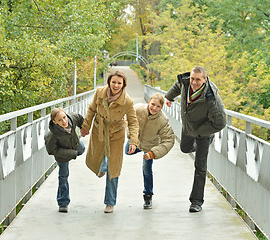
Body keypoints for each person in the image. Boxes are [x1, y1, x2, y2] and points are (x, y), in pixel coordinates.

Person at [165, 66, 226, 213]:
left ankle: (196, 202)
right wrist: (168, 97)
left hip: (203, 131)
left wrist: (200, 132)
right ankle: (197, 146)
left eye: (198, 79)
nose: (194, 82)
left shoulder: (211, 96)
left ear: (205, 80)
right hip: (188, 127)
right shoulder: (185, 82)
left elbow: (220, 123)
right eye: (193, 78)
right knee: (185, 148)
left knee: (200, 167)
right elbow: (177, 85)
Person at [80, 70, 139, 213]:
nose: (116, 85)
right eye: (113, 82)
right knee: (96, 159)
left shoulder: (127, 101)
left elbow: (133, 122)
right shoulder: (99, 93)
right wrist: (85, 126)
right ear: (109, 82)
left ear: (123, 84)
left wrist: (133, 141)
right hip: (99, 130)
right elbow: (91, 109)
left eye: (119, 83)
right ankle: (102, 167)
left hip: (116, 134)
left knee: (114, 168)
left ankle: (110, 202)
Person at [125, 93, 175, 209]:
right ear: (148, 102)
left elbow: (169, 140)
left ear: (161, 108)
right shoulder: (137, 109)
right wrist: (132, 138)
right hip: (136, 141)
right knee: (126, 151)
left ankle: (148, 196)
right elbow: (128, 120)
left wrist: (152, 153)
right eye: (153, 104)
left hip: (149, 146)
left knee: (147, 168)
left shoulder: (162, 120)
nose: (154, 108)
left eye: (158, 107)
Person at [44, 108, 86, 213]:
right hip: (62, 155)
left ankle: (77, 150)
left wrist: (83, 127)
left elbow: (80, 118)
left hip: (75, 145)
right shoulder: (52, 135)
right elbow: (51, 150)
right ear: (54, 122)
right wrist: (72, 154)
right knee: (63, 176)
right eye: (59, 120)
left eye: (64, 117)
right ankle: (63, 202)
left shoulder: (72, 118)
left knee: (82, 149)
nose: (64, 121)